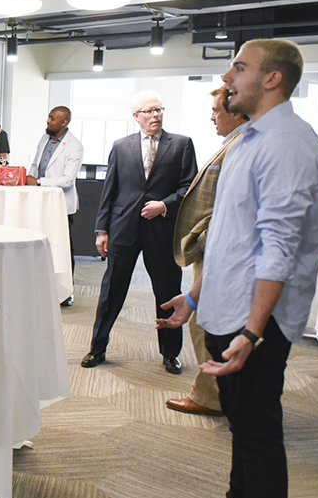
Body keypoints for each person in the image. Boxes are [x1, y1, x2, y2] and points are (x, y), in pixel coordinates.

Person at [158, 39, 318, 498]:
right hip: (229, 306)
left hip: (260, 319)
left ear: (273, 79)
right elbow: (228, 237)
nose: (229, 75)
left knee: (258, 427)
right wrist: (197, 298)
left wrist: (254, 329)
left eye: (241, 66)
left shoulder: (288, 144)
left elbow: (279, 246)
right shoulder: (246, 138)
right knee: (241, 421)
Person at [81, 90, 196, 375]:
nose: (156, 115)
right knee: (111, 291)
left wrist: (164, 205)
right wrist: (101, 230)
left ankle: (170, 354)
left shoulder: (181, 144)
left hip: (162, 230)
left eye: (159, 109)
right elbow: (110, 190)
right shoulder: (121, 146)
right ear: (136, 116)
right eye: (149, 111)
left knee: (167, 292)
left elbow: (189, 188)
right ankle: (97, 348)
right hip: (123, 228)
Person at [164, 85, 249, 417]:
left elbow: (228, 213)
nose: (211, 116)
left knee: (206, 323)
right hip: (213, 250)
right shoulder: (236, 143)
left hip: (220, 253)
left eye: (217, 110)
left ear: (238, 111)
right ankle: (216, 393)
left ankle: (211, 396)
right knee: (205, 322)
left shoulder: (242, 147)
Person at [28, 105, 85, 305]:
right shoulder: (44, 138)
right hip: (39, 199)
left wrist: (39, 182)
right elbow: (36, 164)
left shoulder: (74, 146)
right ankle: (41, 287)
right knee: (40, 243)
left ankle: (66, 292)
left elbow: (68, 180)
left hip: (61, 203)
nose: (48, 121)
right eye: (48, 117)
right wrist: (30, 178)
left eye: (52, 118)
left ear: (64, 122)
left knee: (63, 247)